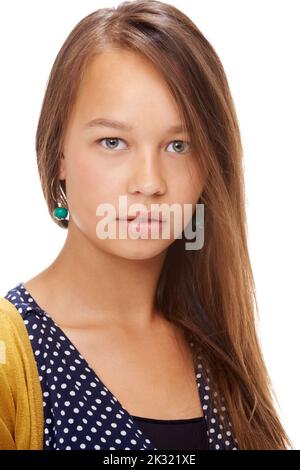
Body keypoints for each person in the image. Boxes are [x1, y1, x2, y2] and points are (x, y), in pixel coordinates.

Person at [0, 0, 293, 450]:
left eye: (179, 145)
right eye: (113, 141)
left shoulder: (217, 344)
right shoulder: (9, 357)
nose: (150, 182)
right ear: (58, 154)